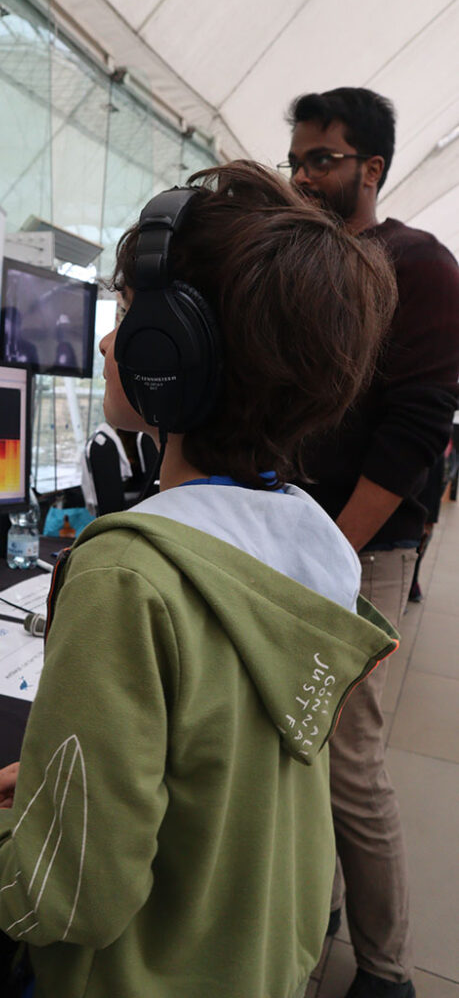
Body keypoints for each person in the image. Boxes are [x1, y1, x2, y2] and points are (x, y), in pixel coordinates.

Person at [0, 161, 400, 998]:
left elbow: (72, 898)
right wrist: (88, 772)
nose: (107, 342)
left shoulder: (127, 573)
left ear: (173, 352)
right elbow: (226, 756)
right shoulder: (311, 550)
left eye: (127, 316)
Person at [282, 87, 459, 998]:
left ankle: (385, 971)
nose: (305, 175)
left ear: (371, 168)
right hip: (290, 538)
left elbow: (418, 423)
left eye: (323, 158)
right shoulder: (300, 267)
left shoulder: (415, 263)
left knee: (348, 757)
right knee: (296, 748)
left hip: (360, 549)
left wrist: (331, 551)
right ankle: (315, 907)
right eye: (297, 160)